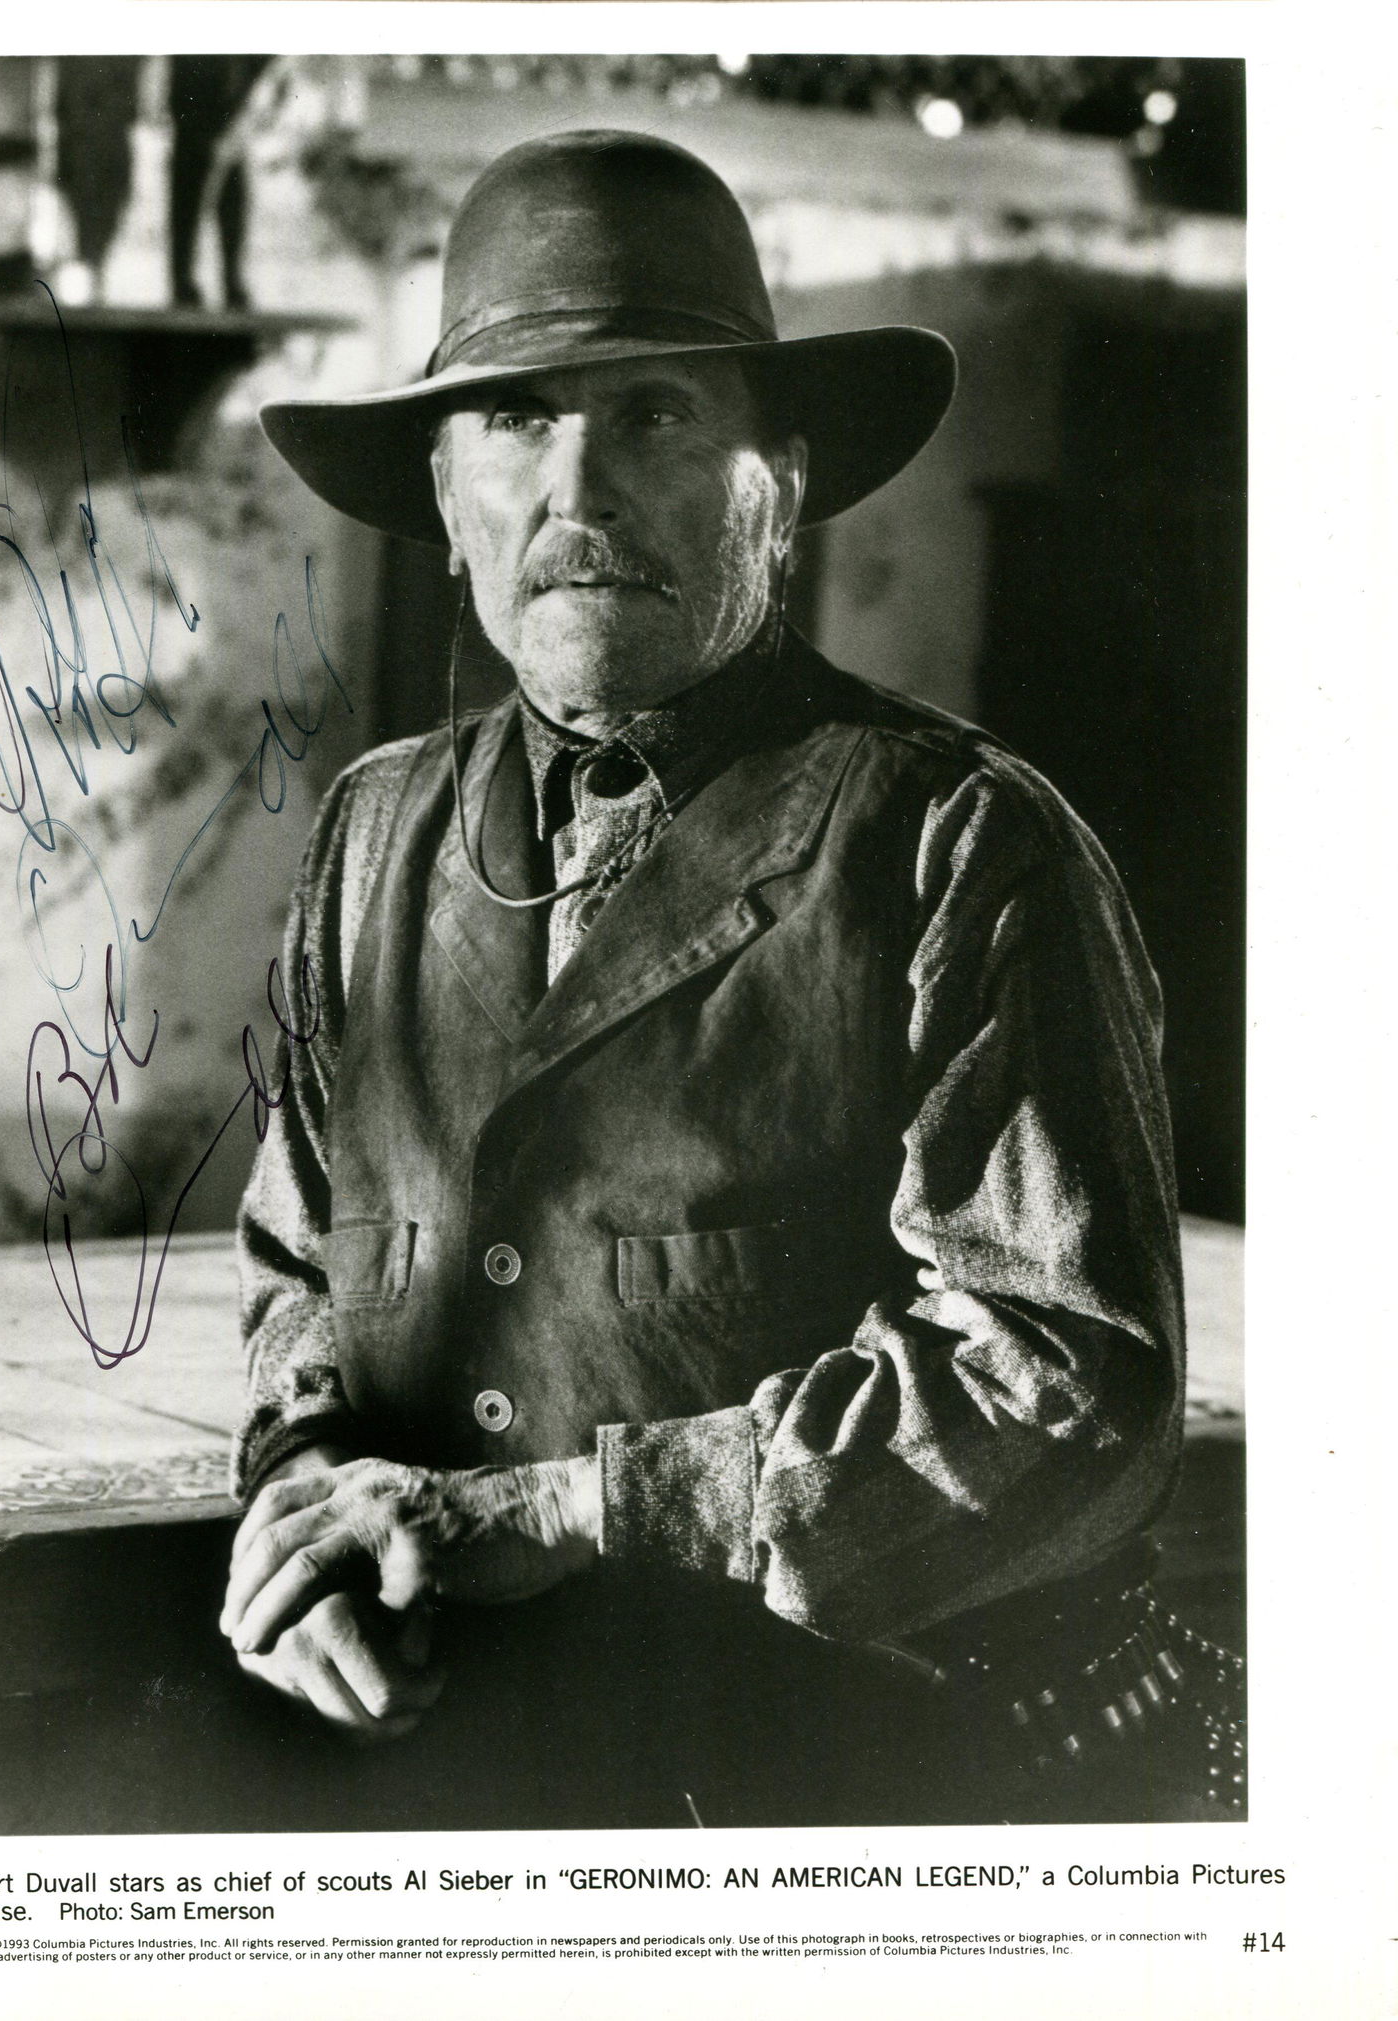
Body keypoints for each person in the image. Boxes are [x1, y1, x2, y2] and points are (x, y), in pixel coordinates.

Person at [221, 129, 1234, 1828]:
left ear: (787, 472)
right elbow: (290, 1258)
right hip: (452, 1775)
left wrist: (570, 1510)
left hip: (845, 1798)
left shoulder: (960, 842)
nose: (580, 494)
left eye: (660, 416)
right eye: (522, 418)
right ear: (443, 498)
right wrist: (306, 1485)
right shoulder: (372, 829)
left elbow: (1065, 1377)